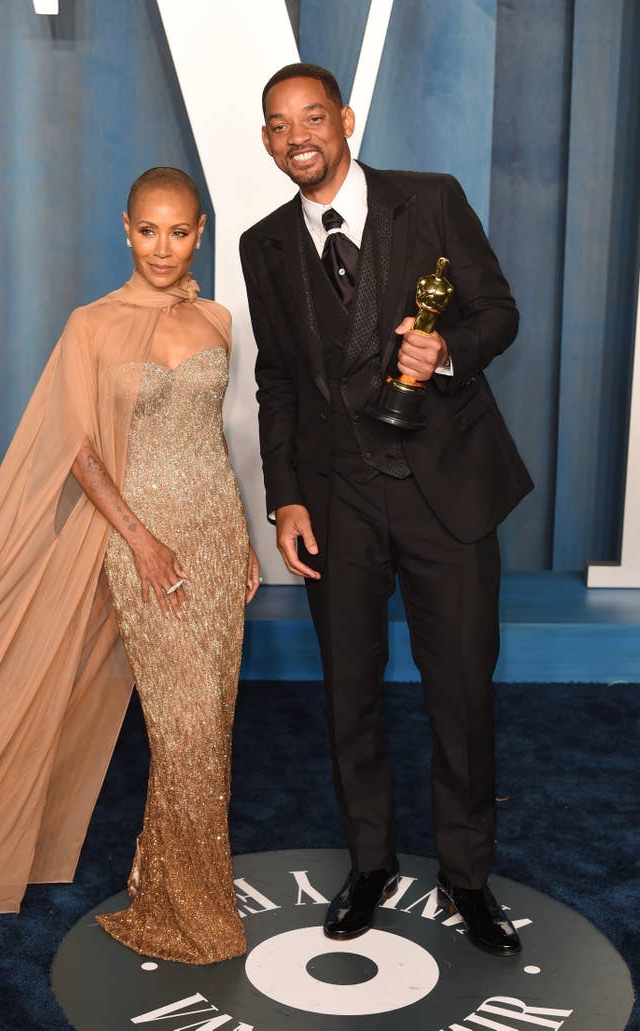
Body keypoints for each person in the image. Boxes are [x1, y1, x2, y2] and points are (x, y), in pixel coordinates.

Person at [240, 64, 533, 956]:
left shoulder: (429, 199)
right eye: (281, 125)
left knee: (461, 694)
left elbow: (499, 310)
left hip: (446, 491)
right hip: (337, 504)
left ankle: (467, 876)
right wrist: (286, 497)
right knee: (350, 694)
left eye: (314, 118)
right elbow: (279, 383)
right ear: (266, 141)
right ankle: (371, 861)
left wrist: (447, 349)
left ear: (346, 119)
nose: (300, 138)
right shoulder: (263, 245)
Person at [0, 167, 259, 965]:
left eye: (179, 231)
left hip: (215, 536)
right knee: (181, 724)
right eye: (148, 230)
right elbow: (79, 450)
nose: (163, 246)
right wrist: (141, 539)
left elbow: (212, 441)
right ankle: (188, 908)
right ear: (125, 228)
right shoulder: (91, 324)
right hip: (140, 539)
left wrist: (244, 535)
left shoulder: (219, 319)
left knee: (209, 724)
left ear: (201, 231)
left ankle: (169, 884)